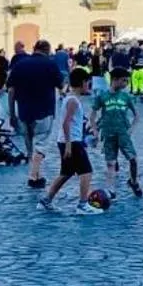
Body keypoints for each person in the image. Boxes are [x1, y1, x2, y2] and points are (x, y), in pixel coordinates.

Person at [6, 39, 63, 191]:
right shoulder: (50, 65)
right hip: (44, 110)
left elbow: (11, 91)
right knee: (41, 144)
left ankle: (38, 176)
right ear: (48, 50)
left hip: (24, 111)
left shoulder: (19, 65)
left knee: (31, 146)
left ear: (34, 48)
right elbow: (61, 85)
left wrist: (12, 114)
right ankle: (32, 176)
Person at [40, 68, 97, 214]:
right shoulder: (73, 100)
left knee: (66, 172)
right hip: (71, 141)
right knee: (86, 171)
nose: (88, 86)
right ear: (83, 83)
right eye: (87, 83)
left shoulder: (71, 98)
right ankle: (83, 204)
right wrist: (69, 146)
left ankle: (46, 201)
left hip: (68, 140)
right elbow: (66, 123)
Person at [93, 67, 142, 198]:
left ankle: (133, 181)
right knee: (111, 163)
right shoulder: (102, 96)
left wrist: (131, 128)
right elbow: (93, 114)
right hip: (108, 133)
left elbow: (137, 115)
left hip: (123, 133)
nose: (126, 84)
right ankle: (110, 189)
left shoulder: (126, 97)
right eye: (124, 80)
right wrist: (95, 130)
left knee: (133, 159)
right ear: (114, 80)